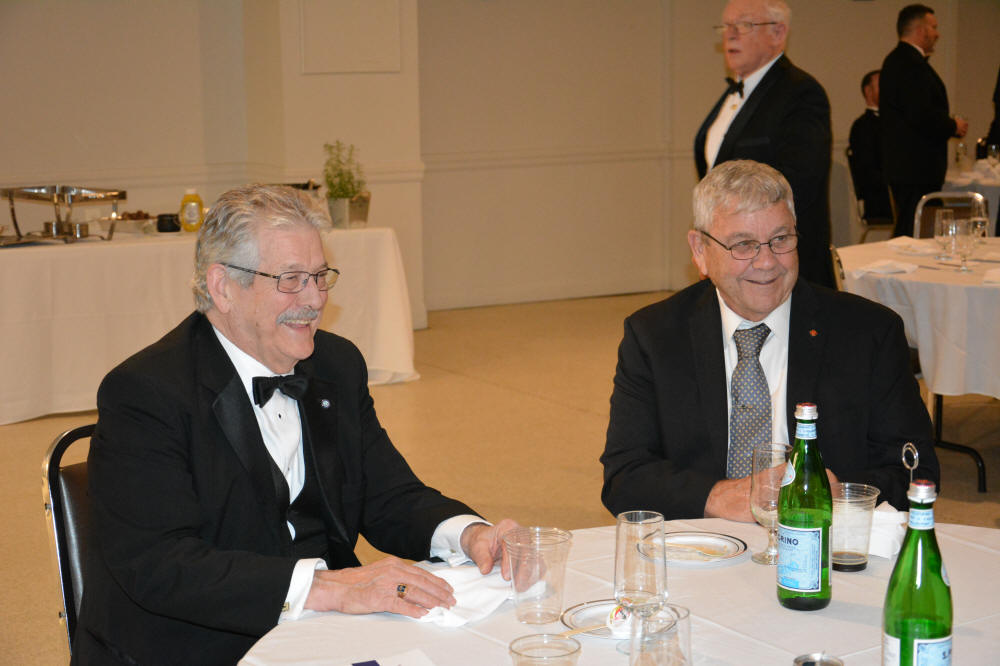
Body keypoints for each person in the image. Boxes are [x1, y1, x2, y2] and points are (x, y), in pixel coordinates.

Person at [74, 185, 518, 665]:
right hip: (197, 643)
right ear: (223, 287)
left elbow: (388, 494)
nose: (315, 298)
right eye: (291, 279)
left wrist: (468, 534)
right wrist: (327, 588)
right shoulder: (146, 391)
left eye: (320, 276)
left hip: (324, 630)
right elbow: (161, 565)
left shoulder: (336, 364)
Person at [600, 160, 939, 523]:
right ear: (700, 251)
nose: (766, 262)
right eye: (743, 244)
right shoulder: (654, 337)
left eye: (781, 240)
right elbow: (625, 476)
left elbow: (916, 469)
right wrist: (717, 497)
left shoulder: (869, 333)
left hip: (824, 541)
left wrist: (839, 494)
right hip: (701, 544)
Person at [694, 0, 834, 288]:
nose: (730, 34)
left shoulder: (801, 92)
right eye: (727, 26)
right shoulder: (735, 94)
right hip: (733, 259)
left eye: (744, 25)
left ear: (778, 33)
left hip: (778, 266)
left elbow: (799, 184)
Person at [880, 4, 968, 237]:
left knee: (916, 229)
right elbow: (921, 114)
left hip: (910, 167)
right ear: (920, 30)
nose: (937, 34)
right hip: (914, 168)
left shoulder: (901, 61)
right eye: (934, 27)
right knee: (913, 232)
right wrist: (953, 125)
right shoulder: (909, 64)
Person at [848, 70, 893, 221]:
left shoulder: (895, 122)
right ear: (868, 91)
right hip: (881, 198)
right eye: (882, 85)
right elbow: (867, 171)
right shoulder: (862, 126)